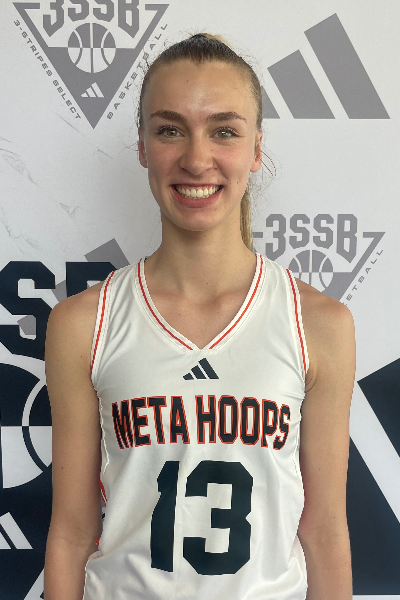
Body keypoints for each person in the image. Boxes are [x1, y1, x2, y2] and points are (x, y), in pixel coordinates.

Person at [43, 33, 355, 600]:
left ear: (256, 149)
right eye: (169, 130)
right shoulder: (83, 323)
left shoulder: (319, 323)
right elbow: (70, 533)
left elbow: (325, 532)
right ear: (142, 146)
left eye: (224, 131)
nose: (195, 159)